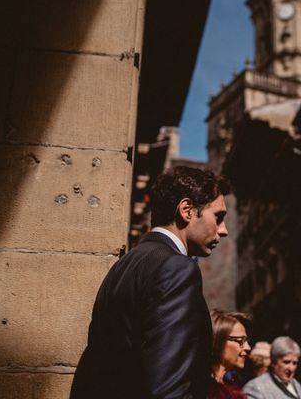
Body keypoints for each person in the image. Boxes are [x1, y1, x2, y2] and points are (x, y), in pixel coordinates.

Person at [70, 166, 230, 399]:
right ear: (187, 210)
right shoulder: (177, 268)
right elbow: (169, 387)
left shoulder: (124, 265)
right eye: (218, 217)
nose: (223, 230)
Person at [209, 310, 252, 399]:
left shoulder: (232, 385)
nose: (248, 347)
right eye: (240, 341)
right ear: (218, 342)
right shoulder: (199, 391)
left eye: (246, 341)